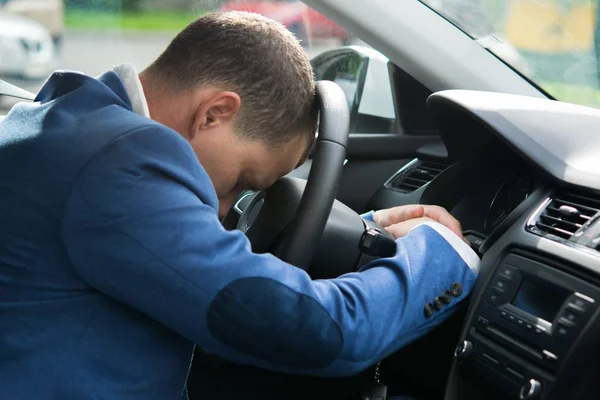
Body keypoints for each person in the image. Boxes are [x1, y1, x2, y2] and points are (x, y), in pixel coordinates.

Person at [0, 11, 479, 400]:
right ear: (215, 112)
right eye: (243, 180)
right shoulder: (122, 161)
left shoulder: (69, 120)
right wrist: (437, 253)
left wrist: (365, 237)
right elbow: (318, 333)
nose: (226, 211)